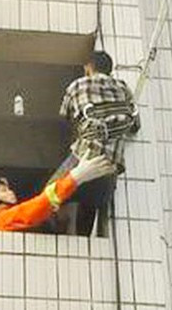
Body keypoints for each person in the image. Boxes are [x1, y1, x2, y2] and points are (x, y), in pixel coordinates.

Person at [53, 50, 138, 235]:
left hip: (84, 156)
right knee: (90, 204)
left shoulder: (78, 85)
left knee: (48, 194)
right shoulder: (124, 88)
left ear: (89, 66)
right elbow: (134, 126)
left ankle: (60, 223)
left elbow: (65, 117)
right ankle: (84, 243)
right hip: (109, 167)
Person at [0, 153, 115, 232]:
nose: (11, 192)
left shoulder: (4, 224)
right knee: (51, 189)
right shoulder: (2, 221)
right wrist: (75, 177)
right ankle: (84, 151)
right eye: (3, 190)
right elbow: (38, 207)